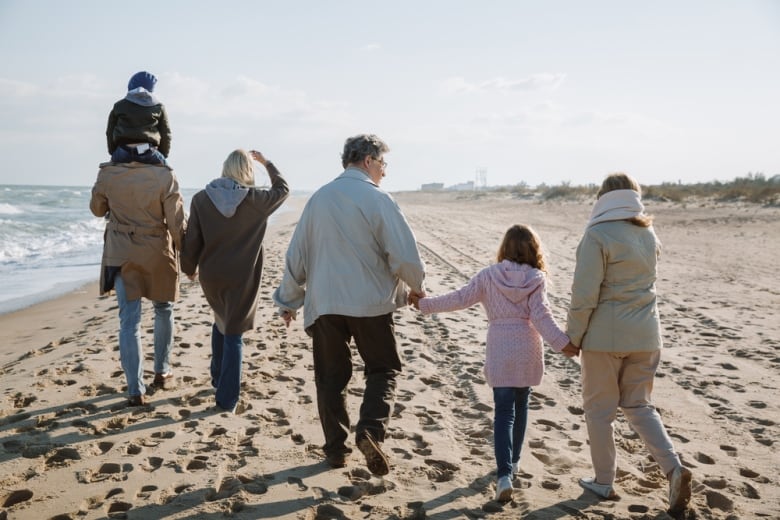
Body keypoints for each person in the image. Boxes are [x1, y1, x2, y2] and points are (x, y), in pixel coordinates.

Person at [273, 134, 425, 476]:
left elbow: (296, 255)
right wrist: (416, 287)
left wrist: (288, 300)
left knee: (330, 378)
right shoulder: (378, 199)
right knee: (383, 368)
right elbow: (403, 254)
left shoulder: (317, 200)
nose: (384, 172)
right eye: (383, 164)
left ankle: (336, 451)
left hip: (325, 304)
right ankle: (370, 431)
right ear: (368, 161)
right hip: (370, 302)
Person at [410, 224, 580, 502]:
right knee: (521, 404)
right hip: (527, 346)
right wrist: (563, 344)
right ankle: (514, 462)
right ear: (533, 250)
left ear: (505, 248)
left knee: (503, 412)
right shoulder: (536, 278)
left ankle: (503, 476)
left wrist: (425, 305)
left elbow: (460, 299)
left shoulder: (488, 276)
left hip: (500, 346)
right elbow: (541, 316)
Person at [567, 173, 692, 513]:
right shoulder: (649, 234)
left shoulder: (596, 235)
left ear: (602, 198)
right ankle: (674, 468)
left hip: (604, 338)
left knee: (599, 412)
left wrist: (573, 337)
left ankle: (604, 481)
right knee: (639, 406)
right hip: (647, 336)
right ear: (635, 198)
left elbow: (584, 294)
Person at [180, 149, 289, 413]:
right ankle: (227, 399)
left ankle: (218, 377)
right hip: (242, 276)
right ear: (247, 171)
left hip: (212, 275)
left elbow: (192, 238)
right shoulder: (257, 200)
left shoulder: (202, 199)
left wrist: (188, 267)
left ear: (225, 168)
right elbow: (283, 189)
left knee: (221, 319)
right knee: (234, 333)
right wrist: (267, 163)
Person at [90, 160, 185, 406]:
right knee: (163, 309)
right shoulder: (165, 173)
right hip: (157, 251)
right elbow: (175, 221)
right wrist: (187, 255)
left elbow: (97, 209)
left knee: (129, 320)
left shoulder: (108, 172)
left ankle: (135, 389)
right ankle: (162, 372)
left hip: (122, 252)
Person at [106, 71, 171, 166]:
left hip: (123, 150)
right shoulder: (158, 107)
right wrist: (163, 154)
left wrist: (113, 152)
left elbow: (109, 132)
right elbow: (166, 134)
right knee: (168, 173)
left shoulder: (118, 106)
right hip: (146, 150)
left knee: (108, 173)